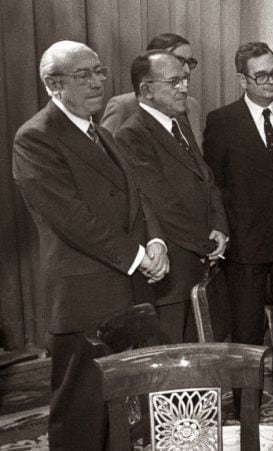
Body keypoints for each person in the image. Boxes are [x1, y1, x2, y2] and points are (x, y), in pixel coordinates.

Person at [12, 40, 169, 450]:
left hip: (126, 288)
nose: (97, 82)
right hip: (84, 297)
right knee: (81, 415)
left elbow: (138, 198)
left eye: (99, 72)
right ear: (52, 84)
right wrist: (138, 257)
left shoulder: (102, 133)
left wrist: (155, 242)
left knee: (122, 411)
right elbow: (73, 220)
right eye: (83, 75)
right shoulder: (35, 138)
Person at [203, 42, 273, 413]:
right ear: (242, 79)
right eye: (261, 75)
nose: (270, 81)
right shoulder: (222, 121)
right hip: (245, 243)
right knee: (246, 326)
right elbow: (212, 183)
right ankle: (246, 397)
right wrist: (222, 231)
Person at [115, 50, 228, 343]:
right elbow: (162, 203)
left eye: (185, 79)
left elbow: (207, 179)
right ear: (146, 90)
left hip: (199, 261)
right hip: (172, 275)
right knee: (175, 361)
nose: (184, 87)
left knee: (204, 354)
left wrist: (220, 226)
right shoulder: (132, 134)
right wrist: (205, 242)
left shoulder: (178, 123)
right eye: (174, 81)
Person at [101, 33, 203, 147]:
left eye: (190, 62)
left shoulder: (192, 106)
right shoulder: (123, 106)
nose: (187, 70)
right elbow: (106, 154)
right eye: (178, 60)